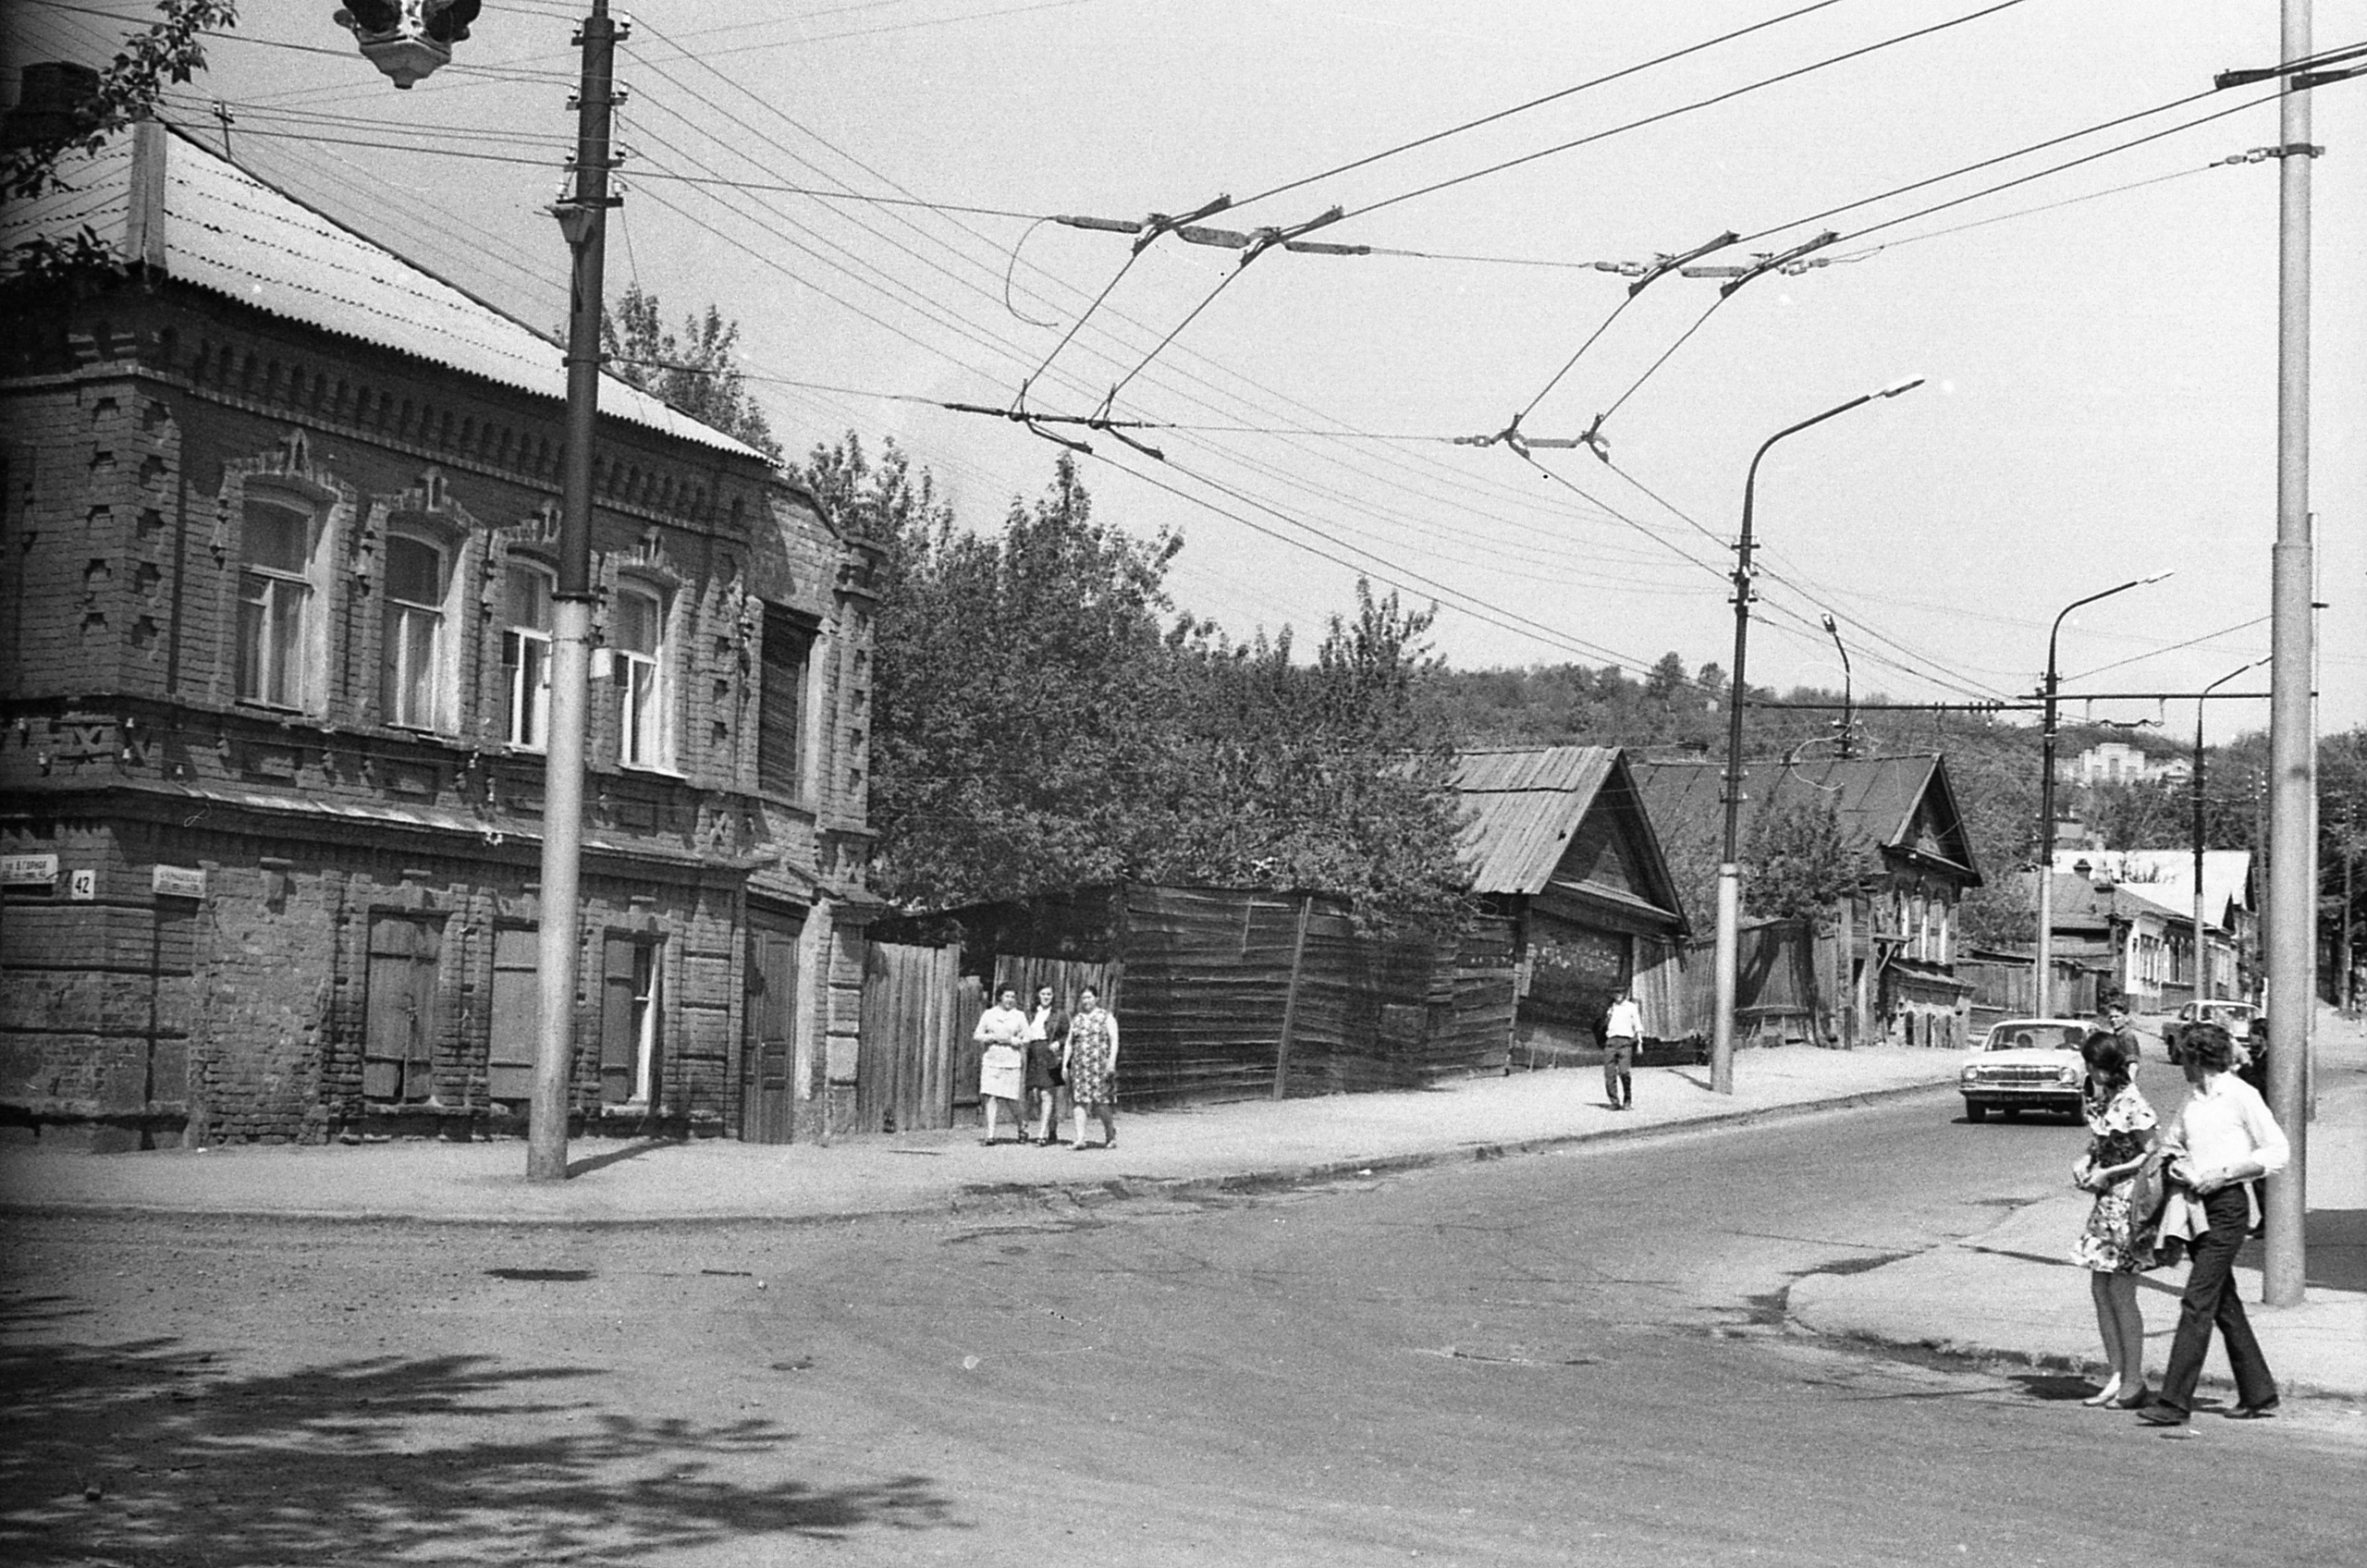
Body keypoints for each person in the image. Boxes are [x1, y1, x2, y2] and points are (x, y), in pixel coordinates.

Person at [2137, 1023, 2289, 1427]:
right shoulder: (2192, 1099)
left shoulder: (2241, 1096)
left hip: (2227, 1208)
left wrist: (2225, 1173)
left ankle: (2174, 1402)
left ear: (2197, 1058)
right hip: (2194, 1207)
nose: (2179, 1063)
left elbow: (2278, 1151)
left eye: (2183, 1056)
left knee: (2197, 1300)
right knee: (2224, 1304)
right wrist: (2177, 1161)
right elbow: (2172, 1141)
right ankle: (2259, 1393)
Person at [2068, 1031, 2160, 1409]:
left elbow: (2152, 1153)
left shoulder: (2132, 1102)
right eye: (2090, 1067)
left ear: (2111, 1067)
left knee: (2122, 1293)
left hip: (2128, 1205)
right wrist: (2087, 1161)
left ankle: (2135, 1380)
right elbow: (2099, 1142)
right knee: (2101, 1291)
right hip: (2106, 1205)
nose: (2093, 1074)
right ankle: (2117, 1373)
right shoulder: (2101, 1100)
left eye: (2097, 1067)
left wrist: (2111, 1172)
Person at [1064, 985, 1120, 1151]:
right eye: (1083, 998)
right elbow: (1069, 1043)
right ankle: (1080, 1138)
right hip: (1080, 1066)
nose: (1086, 1001)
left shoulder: (1106, 1017)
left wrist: (1111, 1062)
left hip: (1099, 1066)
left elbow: (1114, 1040)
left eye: (1089, 998)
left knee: (1100, 1102)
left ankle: (1110, 1132)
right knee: (1079, 1101)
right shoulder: (1077, 1019)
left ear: (1096, 999)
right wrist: (1065, 1065)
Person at [973, 985, 1030, 1146]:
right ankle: (990, 1134)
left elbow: (1027, 1037)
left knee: (1011, 1099)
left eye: (1012, 997)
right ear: (999, 997)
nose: (1010, 1000)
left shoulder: (1019, 1016)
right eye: (1007, 996)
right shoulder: (989, 1014)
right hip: (992, 1059)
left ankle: (1021, 1125)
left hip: (1011, 1060)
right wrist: (991, 1037)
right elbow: (977, 1035)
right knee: (990, 1096)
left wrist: (1014, 1041)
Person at [1024, 983, 1071, 1146]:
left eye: (1049, 994)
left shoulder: (1059, 1015)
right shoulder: (1030, 1014)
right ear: (1038, 995)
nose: (1046, 997)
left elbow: (1068, 1035)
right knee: (1032, 1094)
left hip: (1051, 1054)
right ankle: (1052, 1129)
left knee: (1047, 1094)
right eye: (1043, 994)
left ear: (1053, 997)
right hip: (1032, 1054)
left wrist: (1059, 1043)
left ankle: (1042, 1133)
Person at [1602, 987, 1643, 1110]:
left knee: (1624, 1072)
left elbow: (1637, 1024)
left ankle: (1627, 1099)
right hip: (1611, 1042)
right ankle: (1614, 1101)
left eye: (1620, 993)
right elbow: (1602, 1025)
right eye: (1616, 993)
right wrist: (1607, 1016)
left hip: (1625, 1042)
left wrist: (1640, 1042)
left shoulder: (1631, 1007)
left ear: (1624, 994)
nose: (1618, 995)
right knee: (1609, 1074)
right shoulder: (1610, 1007)